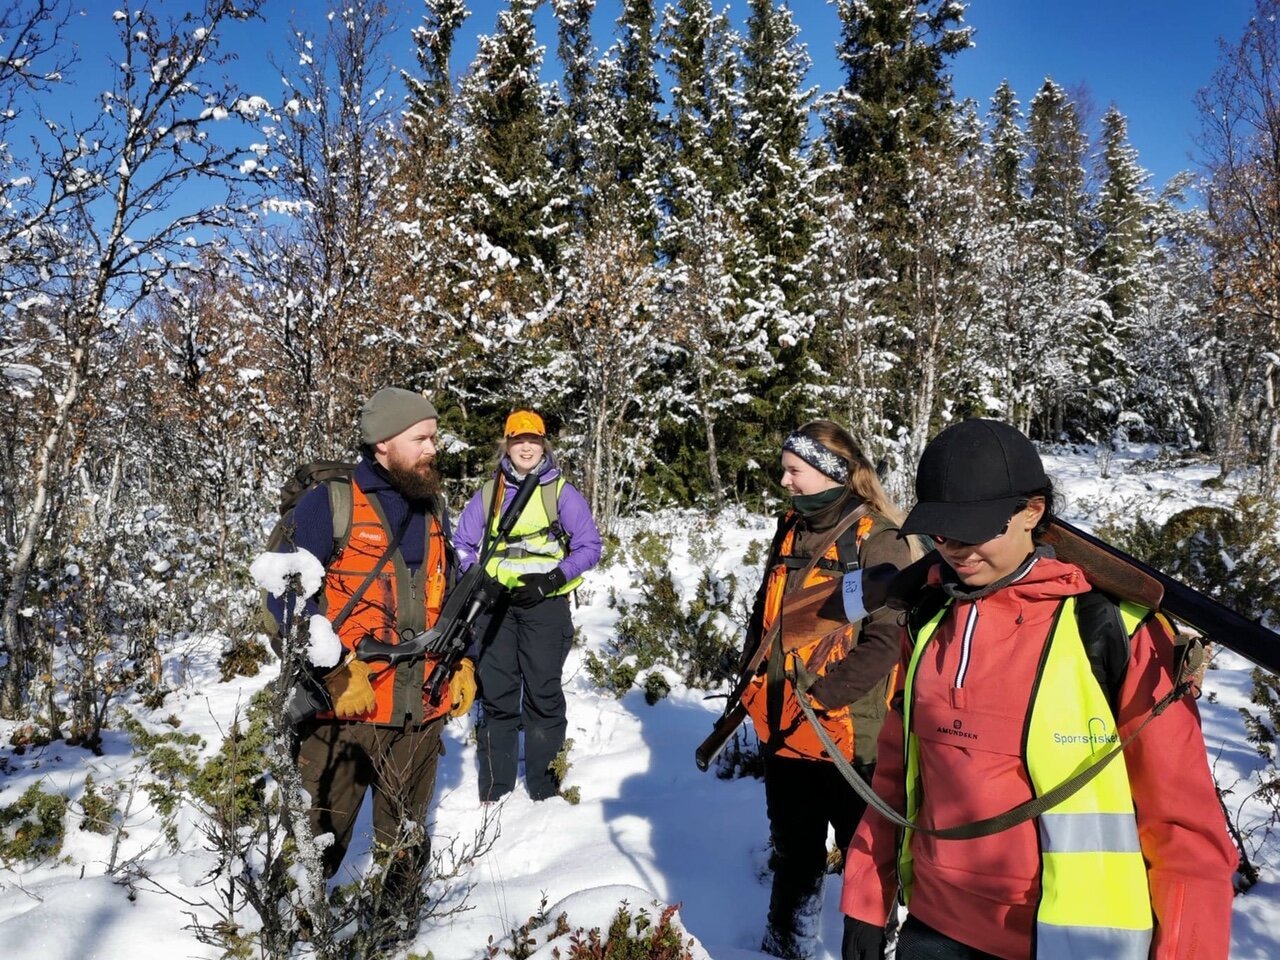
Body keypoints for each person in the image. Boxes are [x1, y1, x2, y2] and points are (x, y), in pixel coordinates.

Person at [841, 419, 1236, 960]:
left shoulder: (1113, 630)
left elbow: (1184, 827)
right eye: (940, 533)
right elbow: (896, 775)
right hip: (932, 930)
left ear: (1032, 510)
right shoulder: (929, 617)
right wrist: (866, 897)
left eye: (974, 530)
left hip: (1075, 943)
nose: (954, 549)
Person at [265, 387, 476, 908]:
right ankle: (284, 932)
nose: (433, 448)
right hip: (344, 713)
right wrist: (335, 673)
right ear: (383, 443)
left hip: (419, 709)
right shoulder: (327, 505)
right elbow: (281, 601)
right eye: (421, 438)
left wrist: (464, 658)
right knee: (314, 846)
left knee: (405, 844)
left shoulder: (431, 508)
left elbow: (444, 593)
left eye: (433, 437)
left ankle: (395, 932)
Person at [737, 420, 913, 960]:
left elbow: (886, 641)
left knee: (867, 857)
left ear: (831, 471)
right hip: (784, 725)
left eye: (794, 470)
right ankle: (785, 946)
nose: (784, 480)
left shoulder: (878, 537)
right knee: (795, 851)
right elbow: (765, 620)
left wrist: (822, 698)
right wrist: (749, 677)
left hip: (850, 735)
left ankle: (879, 948)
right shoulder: (791, 527)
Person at [454, 409, 602, 802]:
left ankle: (543, 786)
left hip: (545, 605)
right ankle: (496, 788)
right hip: (495, 604)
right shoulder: (490, 493)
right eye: (518, 440)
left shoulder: (560, 492)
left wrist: (553, 579)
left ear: (543, 444)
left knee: (543, 692)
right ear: (507, 443)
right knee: (498, 694)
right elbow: (462, 544)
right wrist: (479, 576)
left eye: (533, 440)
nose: (526, 447)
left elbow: (590, 546)